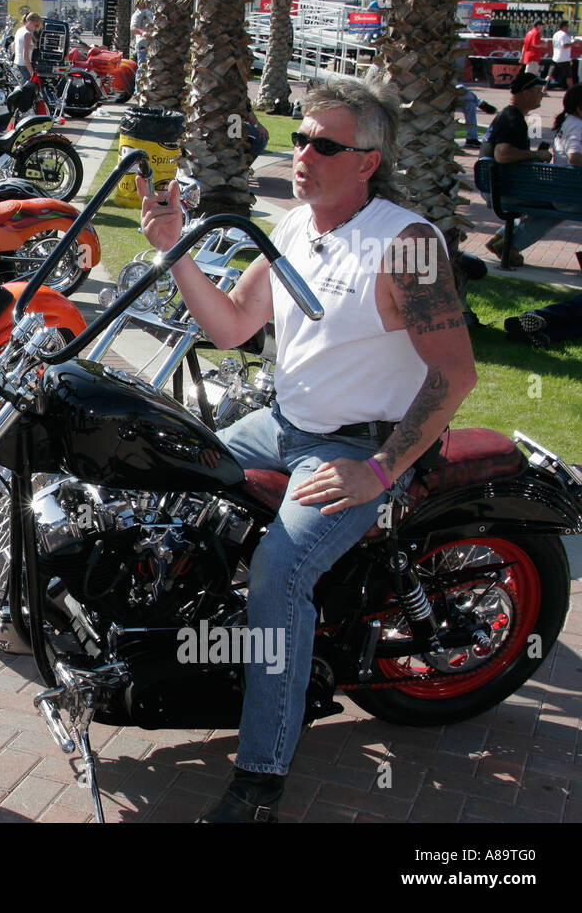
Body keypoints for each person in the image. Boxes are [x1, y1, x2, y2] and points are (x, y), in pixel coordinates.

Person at [138, 74, 477, 822]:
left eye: (324, 144)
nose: (303, 153)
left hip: (358, 446)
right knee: (166, 472)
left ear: (367, 160)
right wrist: (173, 248)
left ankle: (259, 780)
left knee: (280, 573)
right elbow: (230, 327)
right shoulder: (294, 226)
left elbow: (457, 372)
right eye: (299, 139)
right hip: (283, 422)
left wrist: (382, 467)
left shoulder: (408, 243)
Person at [481, 72, 555, 265]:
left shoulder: (508, 115)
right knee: (556, 206)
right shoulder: (512, 119)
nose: (542, 95)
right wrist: (538, 155)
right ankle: (510, 246)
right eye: (539, 91)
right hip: (503, 190)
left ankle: (500, 239)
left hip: (497, 185)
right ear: (526, 93)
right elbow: (502, 154)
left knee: (549, 203)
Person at [14, 11, 42, 83]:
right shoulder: (28, 34)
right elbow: (26, 56)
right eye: (36, 25)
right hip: (24, 68)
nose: (36, 28)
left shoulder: (19, 30)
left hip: (16, 65)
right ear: (30, 21)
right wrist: (33, 74)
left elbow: (13, 47)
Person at [130, 0, 153, 73]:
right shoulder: (137, 14)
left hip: (153, 44)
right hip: (143, 44)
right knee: (142, 67)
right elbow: (133, 28)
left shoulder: (150, 12)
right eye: (142, 0)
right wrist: (143, 33)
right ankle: (139, 85)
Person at [552, 19, 576, 89]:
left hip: (555, 57)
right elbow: (565, 45)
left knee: (550, 75)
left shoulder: (556, 34)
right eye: (567, 26)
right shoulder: (563, 35)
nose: (568, 27)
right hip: (564, 59)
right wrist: (573, 43)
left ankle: (543, 89)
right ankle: (572, 90)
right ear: (564, 26)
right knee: (569, 76)